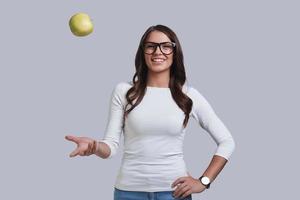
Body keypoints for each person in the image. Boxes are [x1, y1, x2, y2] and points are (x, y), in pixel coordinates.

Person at [65, 24, 236, 200]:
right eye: (151, 46)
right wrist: (94, 147)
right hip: (128, 192)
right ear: (143, 52)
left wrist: (203, 181)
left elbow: (227, 141)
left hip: (174, 193)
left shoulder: (189, 95)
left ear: (175, 52)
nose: (158, 52)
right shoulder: (124, 92)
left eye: (166, 46)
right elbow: (110, 147)